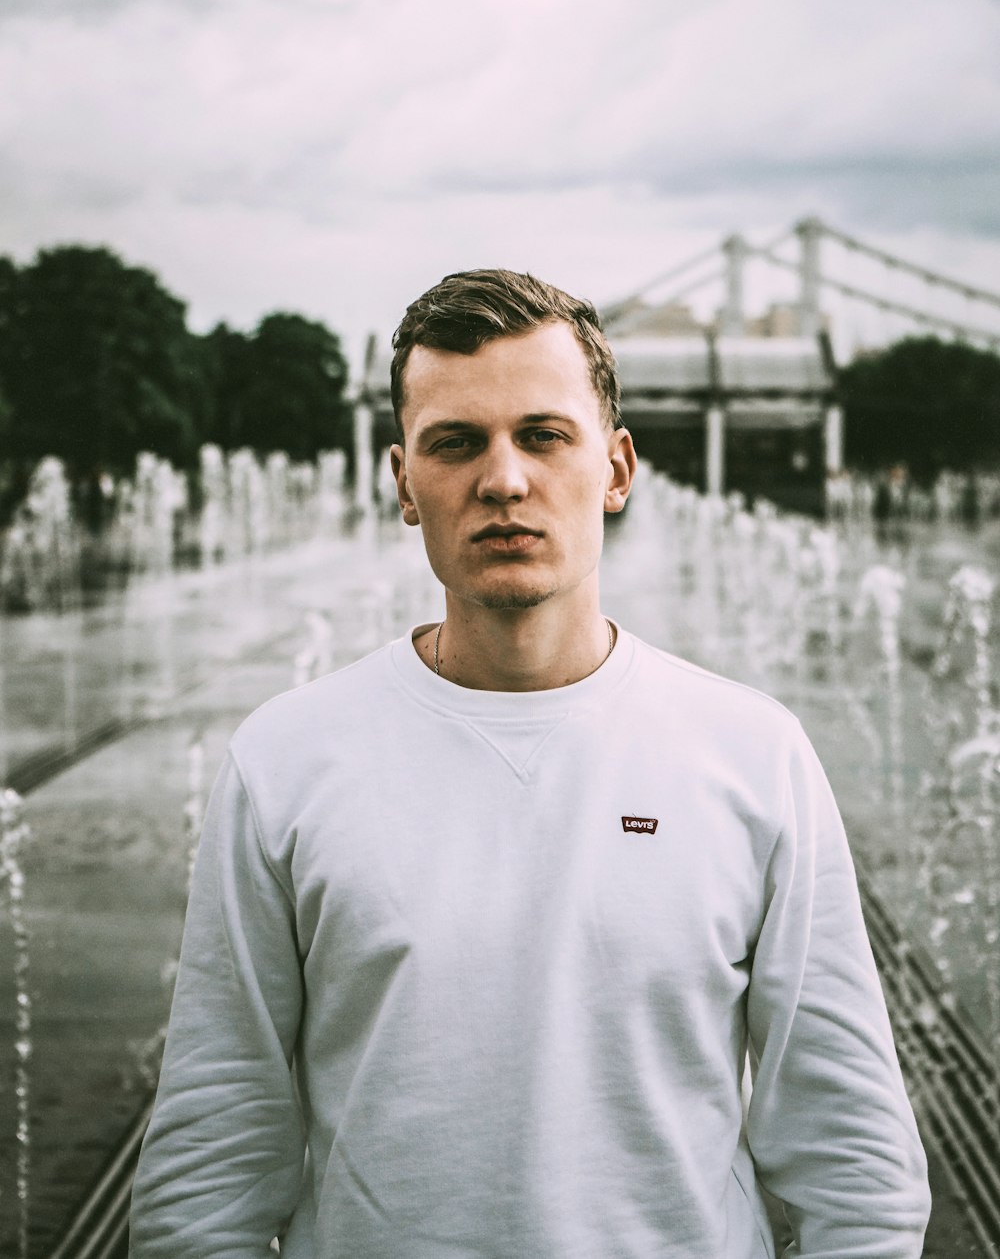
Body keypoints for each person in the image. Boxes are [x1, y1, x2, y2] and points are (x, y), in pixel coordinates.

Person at [129, 270, 931, 1258]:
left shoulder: (751, 755)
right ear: (402, 484)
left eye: (544, 436)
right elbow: (210, 1158)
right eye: (455, 442)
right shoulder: (286, 760)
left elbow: (852, 1160)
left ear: (617, 468)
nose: (503, 480)